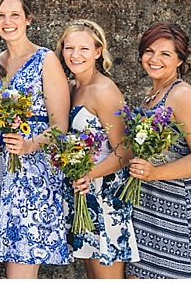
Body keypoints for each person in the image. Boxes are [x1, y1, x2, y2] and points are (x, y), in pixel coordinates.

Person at [123, 22, 191, 279]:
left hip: (177, 210)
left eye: (165, 54)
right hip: (148, 205)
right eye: (149, 51)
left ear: (180, 59)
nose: (154, 59)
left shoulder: (182, 95)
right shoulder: (151, 93)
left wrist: (155, 173)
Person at [0, 0, 71, 277]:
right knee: (10, 260)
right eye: (1, 15)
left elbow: (60, 127)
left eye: (15, 15)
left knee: (21, 265)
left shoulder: (45, 60)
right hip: (0, 169)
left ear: (28, 19)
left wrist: (30, 144)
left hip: (33, 172)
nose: (8, 21)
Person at [58, 19, 137, 278]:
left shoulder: (104, 90)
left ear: (98, 51)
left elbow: (125, 152)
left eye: (83, 49)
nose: (75, 55)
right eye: (69, 48)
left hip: (105, 195)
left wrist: (89, 175)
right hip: (83, 193)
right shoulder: (70, 88)